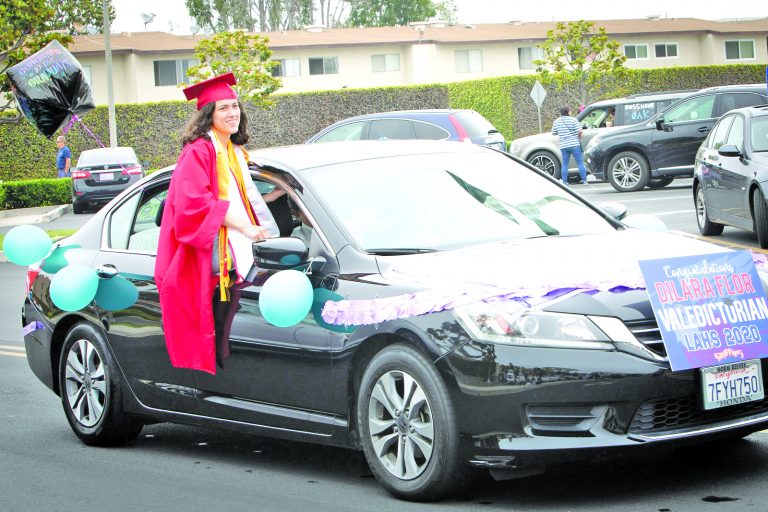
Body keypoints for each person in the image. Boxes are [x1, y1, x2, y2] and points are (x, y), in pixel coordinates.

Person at [154, 72, 279, 375]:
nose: (232, 113)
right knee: (214, 324)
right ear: (208, 114)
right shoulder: (198, 151)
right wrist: (245, 228)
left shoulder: (233, 151)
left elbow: (239, 195)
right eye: (223, 108)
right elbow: (195, 205)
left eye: (235, 106)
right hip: (213, 259)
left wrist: (277, 193)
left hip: (240, 251)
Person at [551, 105, 588, 185]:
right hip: (574, 144)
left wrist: (562, 132)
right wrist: (579, 138)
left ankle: (565, 181)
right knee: (580, 162)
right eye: (570, 110)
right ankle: (584, 180)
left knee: (565, 164)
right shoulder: (573, 120)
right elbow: (580, 131)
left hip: (563, 145)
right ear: (568, 112)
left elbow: (553, 133)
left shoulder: (556, 121)